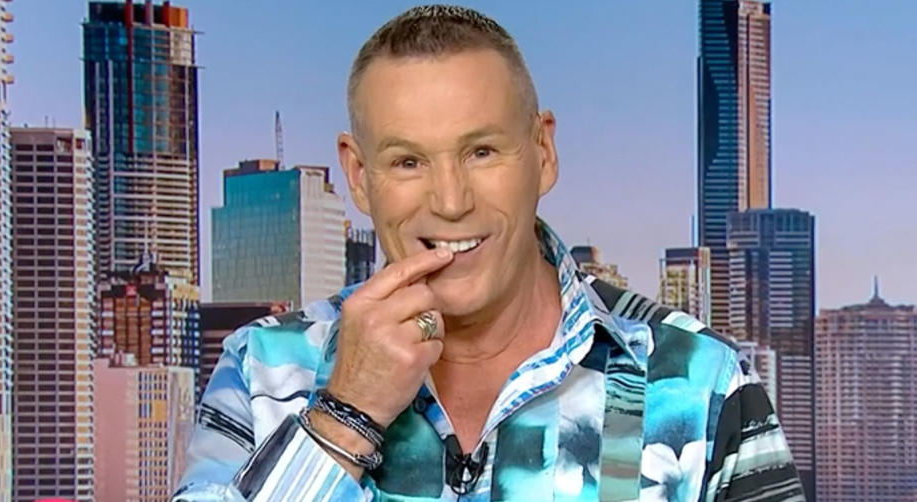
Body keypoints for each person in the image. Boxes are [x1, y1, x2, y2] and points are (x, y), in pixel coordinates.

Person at [173, 5, 804, 501]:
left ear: (543, 151)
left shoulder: (702, 386)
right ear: (359, 176)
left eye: (481, 152)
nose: (450, 201)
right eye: (408, 160)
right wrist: (345, 417)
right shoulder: (262, 372)